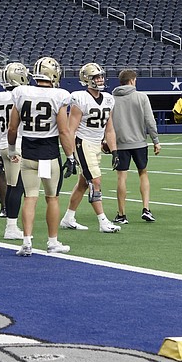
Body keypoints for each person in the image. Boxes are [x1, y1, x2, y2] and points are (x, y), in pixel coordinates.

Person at [7, 56, 76, 257]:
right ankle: (52, 241)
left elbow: (12, 128)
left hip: (27, 153)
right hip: (47, 155)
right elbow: (63, 131)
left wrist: (12, 149)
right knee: (52, 198)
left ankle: (27, 241)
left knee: (30, 197)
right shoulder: (59, 95)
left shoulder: (21, 92)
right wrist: (70, 156)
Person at [59, 63, 121, 234]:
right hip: (82, 142)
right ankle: (103, 221)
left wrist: (114, 151)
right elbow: (71, 130)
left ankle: (68, 218)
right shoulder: (80, 98)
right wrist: (70, 155)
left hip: (96, 145)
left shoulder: (109, 98)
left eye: (101, 76)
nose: (100, 79)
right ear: (87, 79)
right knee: (95, 181)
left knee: (83, 184)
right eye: (96, 77)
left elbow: (109, 129)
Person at [0, 62, 29, 240]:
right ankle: (12, 226)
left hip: (3, 144)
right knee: (19, 187)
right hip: (18, 144)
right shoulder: (23, 95)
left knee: (13, 186)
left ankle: (11, 222)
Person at [110, 69, 160, 224]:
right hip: (139, 142)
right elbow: (149, 120)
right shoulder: (141, 97)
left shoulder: (111, 99)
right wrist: (155, 140)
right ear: (132, 80)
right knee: (143, 173)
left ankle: (121, 214)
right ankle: (146, 208)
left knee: (121, 177)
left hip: (120, 143)